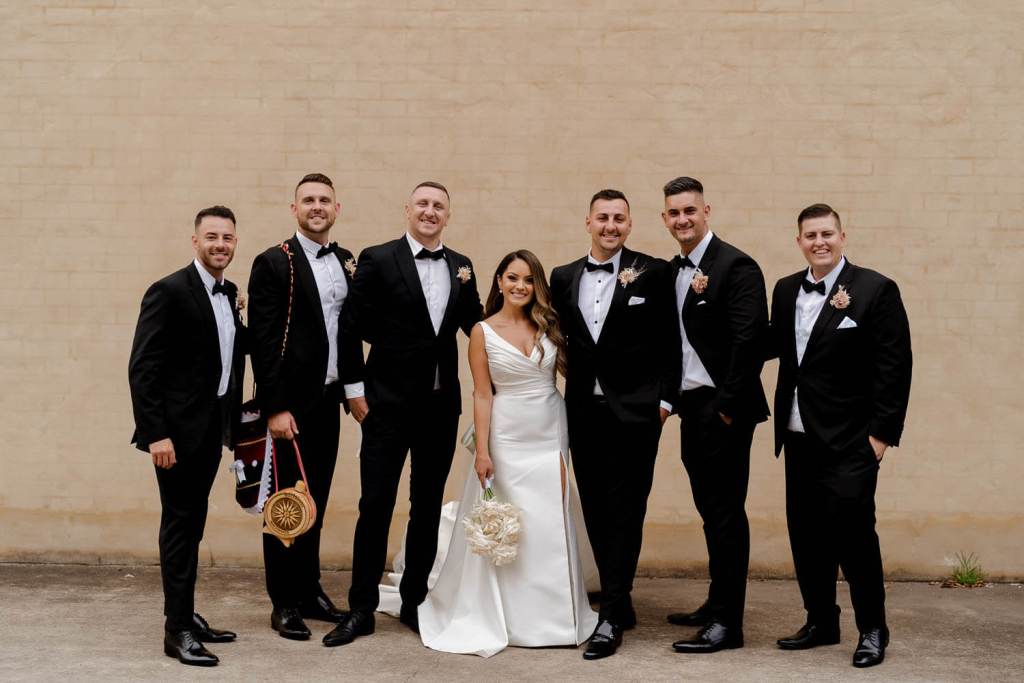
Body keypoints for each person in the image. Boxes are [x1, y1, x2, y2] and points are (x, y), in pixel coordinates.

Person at [413, 250, 598, 657]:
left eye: (529, 280)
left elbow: (578, 370)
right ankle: (511, 617)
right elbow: (482, 393)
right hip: (507, 435)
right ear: (499, 281)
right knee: (510, 518)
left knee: (550, 517)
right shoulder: (482, 331)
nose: (520, 286)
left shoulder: (549, 324)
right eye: (513, 277)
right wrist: (482, 450)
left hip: (550, 429)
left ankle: (557, 616)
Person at [324, 181, 483, 647]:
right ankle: (361, 607)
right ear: (407, 210)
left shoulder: (461, 266)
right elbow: (350, 325)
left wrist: (523, 338)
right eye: (422, 204)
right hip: (385, 406)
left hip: (440, 408)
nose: (430, 212)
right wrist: (354, 390)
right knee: (375, 505)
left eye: (439, 206)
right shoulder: (378, 259)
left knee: (427, 508)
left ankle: (415, 601)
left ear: (448, 215)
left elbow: (475, 326)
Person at [769, 203, 911, 668]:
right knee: (806, 535)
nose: (819, 242)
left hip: (850, 442)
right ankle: (821, 621)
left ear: (842, 236)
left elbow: (894, 366)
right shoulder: (785, 290)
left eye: (826, 234)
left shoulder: (875, 289)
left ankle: (873, 629)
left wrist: (880, 438)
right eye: (810, 236)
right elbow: (775, 349)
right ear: (799, 242)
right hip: (798, 436)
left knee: (855, 538)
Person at [549, 189, 679, 660]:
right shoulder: (563, 277)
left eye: (618, 218)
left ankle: (610, 614)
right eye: (602, 217)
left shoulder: (654, 271)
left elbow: (670, 339)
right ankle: (618, 599)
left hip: (637, 414)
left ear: (629, 224)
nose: (610, 226)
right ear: (588, 222)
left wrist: (664, 402)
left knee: (627, 510)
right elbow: (552, 335)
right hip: (583, 412)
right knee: (598, 510)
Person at [129, 205, 246, 666]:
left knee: (193, 525)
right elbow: (143, 368)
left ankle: (186, 614)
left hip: (211, 430)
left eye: (227, 238)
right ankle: (175, 630)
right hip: (174, 437)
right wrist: (156, 434)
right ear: (195, 241)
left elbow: (229, 354)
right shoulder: (169, 290)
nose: (220, 245)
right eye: (212, 237)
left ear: (235, 243)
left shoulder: (230, 293)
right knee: (179, 528)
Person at [660, 176, 770, 655]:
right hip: (691, 409)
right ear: (665, 219)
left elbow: (751, 341)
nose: (682, 219)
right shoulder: (672, 270)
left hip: (724, 410)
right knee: (710, 512)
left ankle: (728, 624)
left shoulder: (736, 265)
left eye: (690, 210)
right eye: (674, 212)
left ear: (706, 211)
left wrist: (726, 407)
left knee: (726, 515)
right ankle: (716, 601)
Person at [248, 173, 357, 640]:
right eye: (308, 200)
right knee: (286, 505)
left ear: (336, 209)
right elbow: (262, 340)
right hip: (289, 408)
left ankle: (309, 590)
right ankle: (284, 602)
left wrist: (355, 390)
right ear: (294, 209)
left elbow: (349, 331)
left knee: (317, 499)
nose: (317, 206)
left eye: (324, 200)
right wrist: (274, 407)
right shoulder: (274, 262)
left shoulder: (347, 261)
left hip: (329, 400)